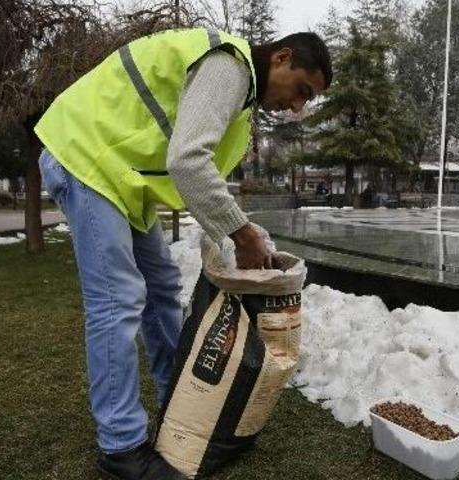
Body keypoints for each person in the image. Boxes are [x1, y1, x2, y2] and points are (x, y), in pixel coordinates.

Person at [34, 28, 331, 480]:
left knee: (163, 287)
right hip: (85, 157)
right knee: (117, 301)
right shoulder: (229, 67)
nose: (297, 107)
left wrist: (235, 238)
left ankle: (183, 404)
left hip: (119, 177)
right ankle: (120, 447)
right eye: (302, 91)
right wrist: (241, 233)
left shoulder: (241, 95)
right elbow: (188, 161)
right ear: (282, 58)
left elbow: (199, 179)